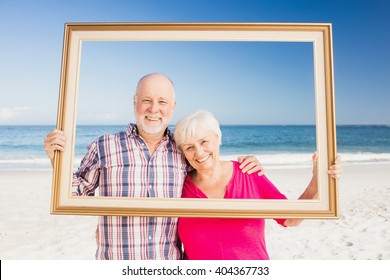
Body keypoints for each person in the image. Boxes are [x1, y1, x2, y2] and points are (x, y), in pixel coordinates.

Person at [43, 73, 263, 260]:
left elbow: (211, 173)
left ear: (173, 106)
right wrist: (56, 159)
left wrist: (244, 166)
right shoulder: (104, 146)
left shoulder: (183, 150)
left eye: (162, 102)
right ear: (135, 102)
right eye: (146, 100)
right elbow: (75, 194)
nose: (154, 109)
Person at [173, 110, 342, 260]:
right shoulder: (179, 187)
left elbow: (291, 219)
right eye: (189, 147)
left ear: (217, 138)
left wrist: (318, 180)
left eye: (204, 142)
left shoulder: (248, 172)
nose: (199, 152)